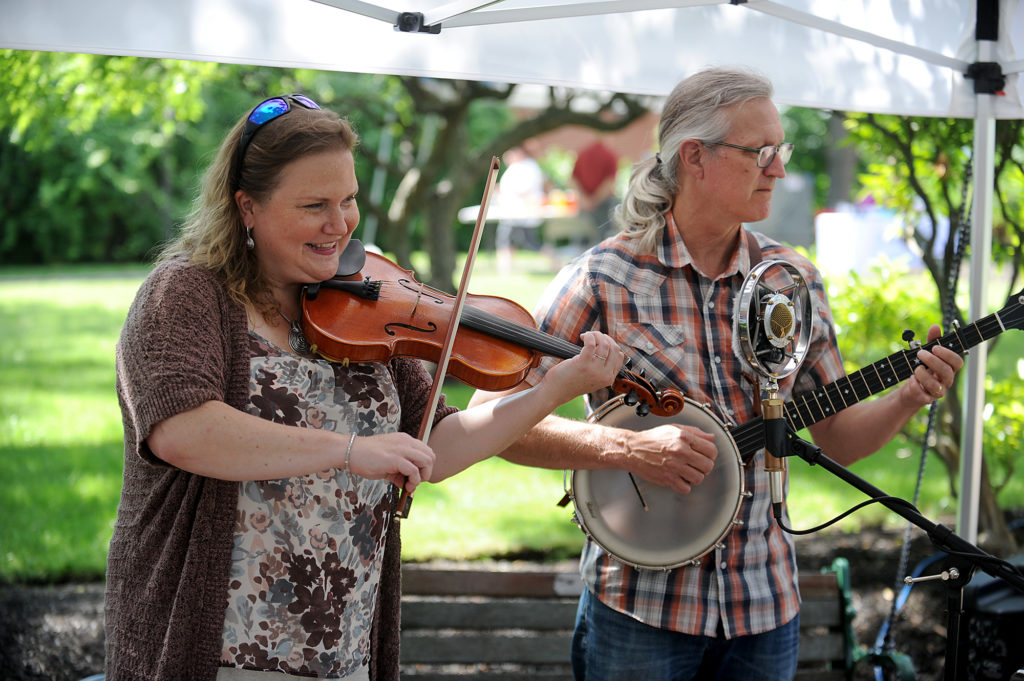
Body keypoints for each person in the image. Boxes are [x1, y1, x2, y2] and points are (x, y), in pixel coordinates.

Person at [105, 94, 625, 681]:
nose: (341, 224)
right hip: (214, 650)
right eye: (314, 205)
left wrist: (554, 389)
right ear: (246, 207)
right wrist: (351, 451)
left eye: (348, 199)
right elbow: (185, 432)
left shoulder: (366, 296)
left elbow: (439, 442)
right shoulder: (187, 294)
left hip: (342, 647)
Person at [468, 67, 964, 681]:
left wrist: (910, 397)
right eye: (760, 152)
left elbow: (838, 438)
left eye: (778, 151)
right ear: (694, 157)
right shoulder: (603, 279)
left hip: (765, 608)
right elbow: (499, 427)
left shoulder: (793, 279)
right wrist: (627, 446)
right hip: (640, 611)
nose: (778, 168)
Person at [570, 139, 620, 242]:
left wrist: (585, 199)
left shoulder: (582, 154)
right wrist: (594, 201)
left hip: (585, 205)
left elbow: (573, 179)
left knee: (583, 237)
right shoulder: (610, 155)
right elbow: (609, 183)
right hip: (603, 204)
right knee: (604, 238)